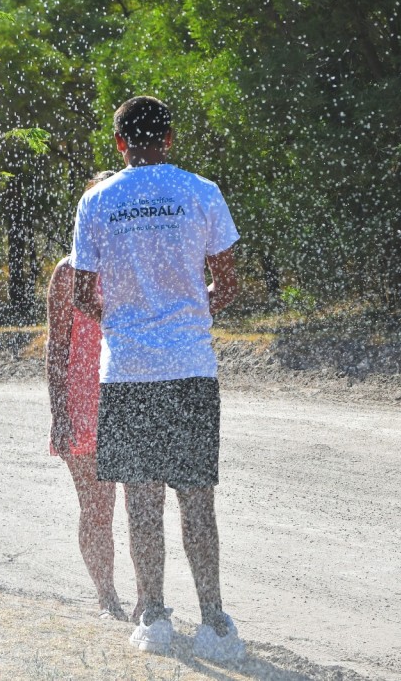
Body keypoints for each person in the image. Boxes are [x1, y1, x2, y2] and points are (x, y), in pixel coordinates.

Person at [69, 95, 243, 662]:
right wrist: (189, 312)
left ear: (120, 143)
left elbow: (80, 295)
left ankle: (154, 616)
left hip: (128, 372)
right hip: (191, 367)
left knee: (142, 504)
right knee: (198, 501)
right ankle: (215, 622)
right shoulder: (201, 191)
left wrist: (126, 320)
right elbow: (230, 284)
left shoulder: (97, 200)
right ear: (169, 138)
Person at [47, 169, 142, 623]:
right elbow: (56, 346)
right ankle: (108, 597)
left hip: (131, 395)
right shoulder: (68, 272)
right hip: (83, 403)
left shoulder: (138, 261)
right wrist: (58, 413)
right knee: (97, 508)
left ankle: (149, 600)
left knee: (142, 507)